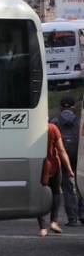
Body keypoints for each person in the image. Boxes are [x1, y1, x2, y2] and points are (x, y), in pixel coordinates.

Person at [39, 121, 75, 236]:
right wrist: (69, 169)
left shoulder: (32, 129)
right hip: (53, 166)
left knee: (40, 195)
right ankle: (54, 221)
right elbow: (61, 150)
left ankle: (42, 228)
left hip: (38, 166)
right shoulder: (52, 128)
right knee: (56, 192)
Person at [50, 97, 81, 226]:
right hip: (80, 157)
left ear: (61, 107)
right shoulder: (80, 121)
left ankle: (73, 219)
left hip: (62, 157)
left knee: (67, 188)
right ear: (74, 107)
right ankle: (83, 215)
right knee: (81, 186)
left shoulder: (55, 121)